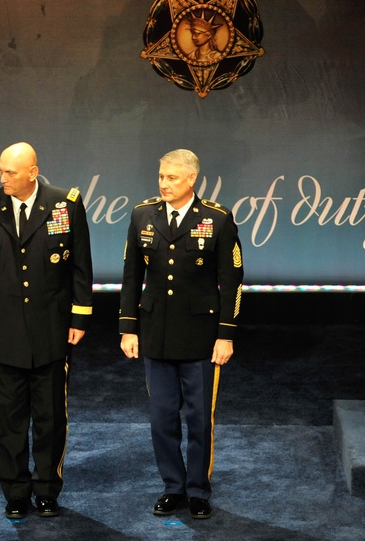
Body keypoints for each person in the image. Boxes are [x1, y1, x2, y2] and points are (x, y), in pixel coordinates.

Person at [0, 142, 93, 519]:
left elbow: (80, 265)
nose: (2, 178)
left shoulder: (65, 203)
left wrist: (79, 317)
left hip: (52, 327)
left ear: (33, 172)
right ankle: (16, 492)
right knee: (8, 416)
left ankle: (47, 490)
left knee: (51, 417)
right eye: (0, 170)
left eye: (11, 172)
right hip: (1, 329)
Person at [119, 149, 244, 520]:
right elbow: (130, 276)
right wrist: (128, 327)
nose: (164, 183)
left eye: (172, 177)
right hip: (155, 334)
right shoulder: (143, 214)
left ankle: (198, 489)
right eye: (161, 176)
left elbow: (231, 280)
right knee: (161, 419)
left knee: (199, 419)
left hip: (201, 337)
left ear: (191, 179)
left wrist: (226, 334)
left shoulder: (217, 219)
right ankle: (173, 487)